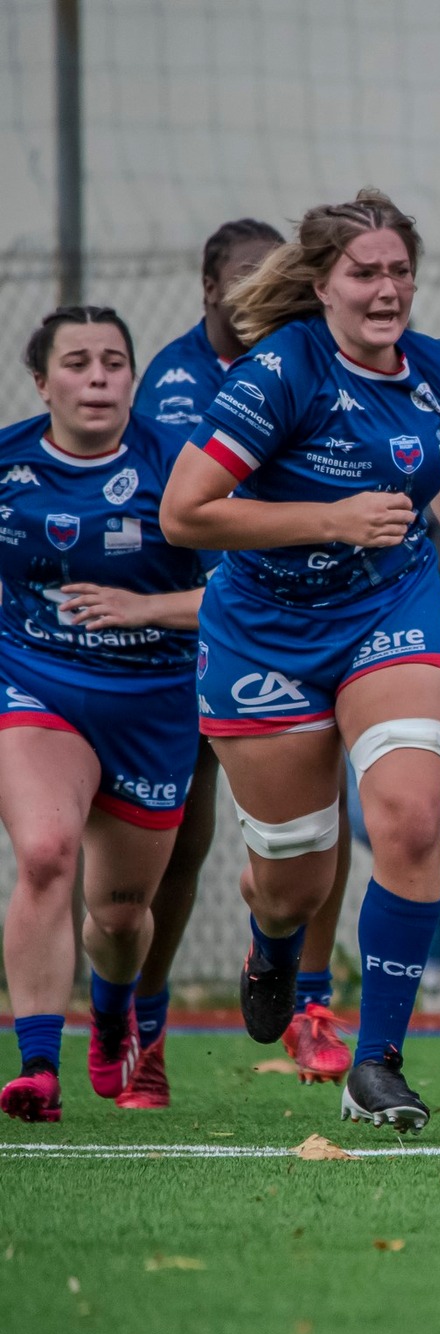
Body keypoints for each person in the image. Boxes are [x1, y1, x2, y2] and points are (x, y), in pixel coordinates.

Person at [160, 188, 440, 1131]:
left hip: (389, 612)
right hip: (264, 632)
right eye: (365, 271)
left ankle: (379, 1062)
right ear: (322, 282)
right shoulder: (281, 371)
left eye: (400, 269)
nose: (387, 287)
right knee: (295, 875)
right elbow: (185, 510)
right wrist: (330, 518)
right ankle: (274, 944)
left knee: (407, 823)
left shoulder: (438, 370)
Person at [122, 219, 356, 1102]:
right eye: (247, 277)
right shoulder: (180, 385)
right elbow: (184, 519)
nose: (265, 290)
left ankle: (312, 999)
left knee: (320, 821)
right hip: (196, 630)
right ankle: (145, 1020)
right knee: (179, 838)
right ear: (209, 289)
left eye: (279, 275)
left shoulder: (320, 360)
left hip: (300, 624)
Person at [0, 307, 208, 1122]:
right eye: (78, 362)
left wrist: (147, 606)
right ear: (42, 381)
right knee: (47, 852)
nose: (97, 377)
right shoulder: (9, 465)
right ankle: (38, 1066)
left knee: (120, 916)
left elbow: (243, 592)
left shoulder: (181, 467)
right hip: (36, 685)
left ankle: (115, 1011)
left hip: (153, 706)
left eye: (114, 362)